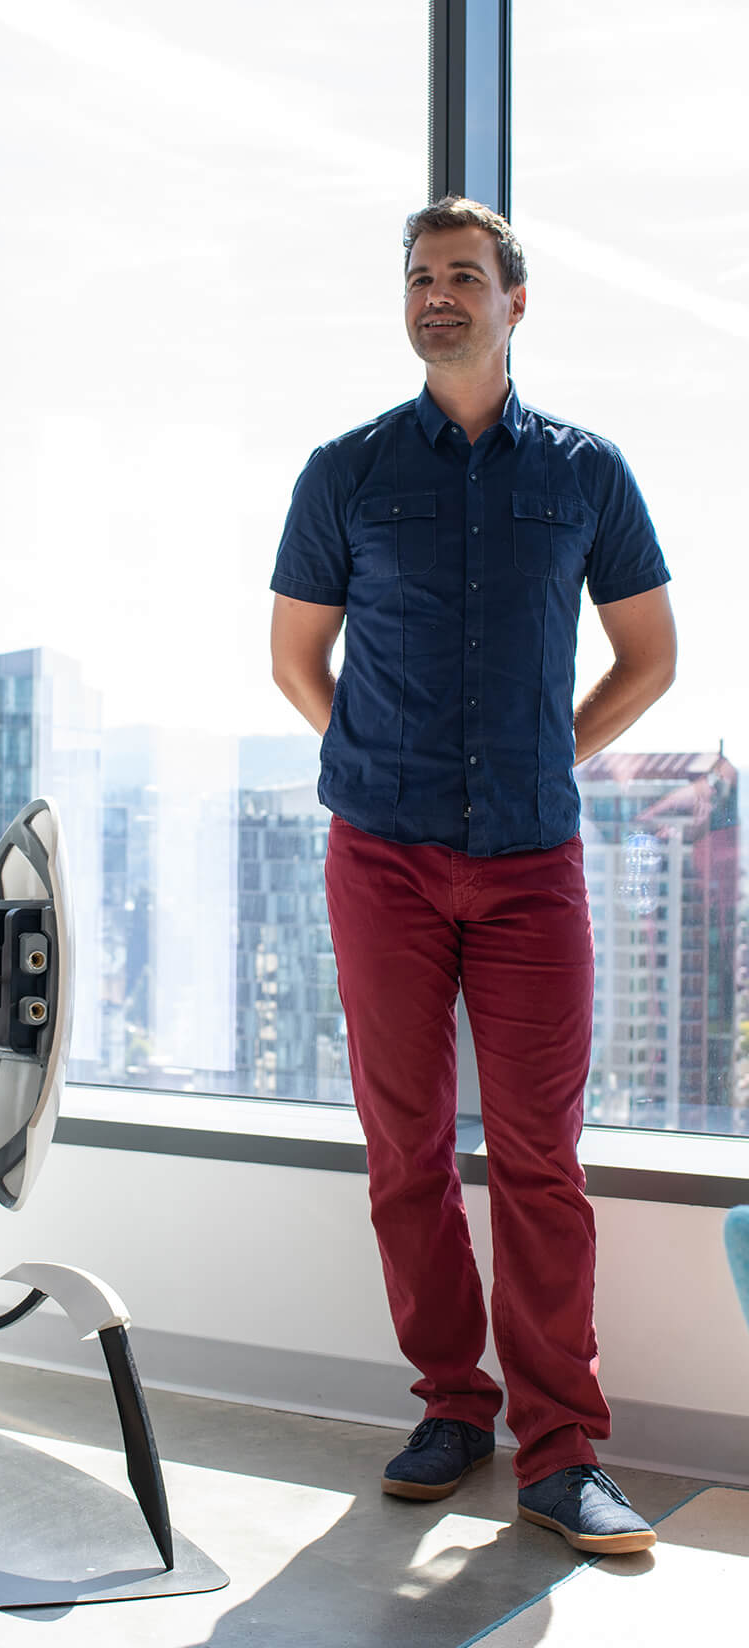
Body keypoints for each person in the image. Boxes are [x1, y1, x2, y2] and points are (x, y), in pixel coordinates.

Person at [269, 197, 676, 1556]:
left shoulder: (587, 473)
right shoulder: (344, 470)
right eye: (420, 277)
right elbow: (295, 661)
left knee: (542, 1158)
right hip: (377, 856)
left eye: (463, 276)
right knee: (407, 1152)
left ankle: (562, 1451)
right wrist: (386, 760)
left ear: (515, 301)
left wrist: (542, 753)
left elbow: (649, 656)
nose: (438, 294)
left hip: (531, 862)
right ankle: (453, 1404)